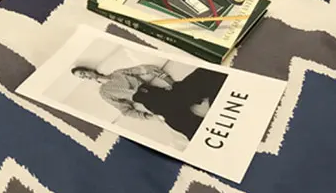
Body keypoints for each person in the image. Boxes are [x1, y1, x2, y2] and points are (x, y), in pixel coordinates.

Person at [71, 60, 227, 141]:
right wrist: (149, 117)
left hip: (157, 92)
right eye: (81, 77)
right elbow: (125, 111)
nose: (84, 76)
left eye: (83, 72)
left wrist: (171, 83)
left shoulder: (118, 73)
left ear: (90, 70)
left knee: (201, 77)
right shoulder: (104, 93)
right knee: (178, 119)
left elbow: (148, 69)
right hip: (148, 101)